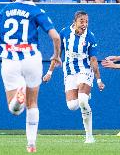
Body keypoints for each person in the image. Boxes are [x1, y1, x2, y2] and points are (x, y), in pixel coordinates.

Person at [0, 0, 61, 153]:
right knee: (33, 103)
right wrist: (56, 55)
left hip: (10, 59)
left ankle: (18, 99)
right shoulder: (37, 11)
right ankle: (31, 143)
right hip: (32, 59)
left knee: (14, 110)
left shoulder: (5, 9)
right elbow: (56, 37)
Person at [43, 11, 105, 143]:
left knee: (82, 101)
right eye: (82, 21)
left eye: (86, 21)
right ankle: (85, 94)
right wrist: (49, 72)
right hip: (70, 72)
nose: (84, 24)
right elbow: (57, 54)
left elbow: (93, 60)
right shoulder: (64, 33)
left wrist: (98, 79)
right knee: (72, 106)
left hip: (85, 70)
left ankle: (89, 136)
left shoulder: (90, 37)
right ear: (75, 21)